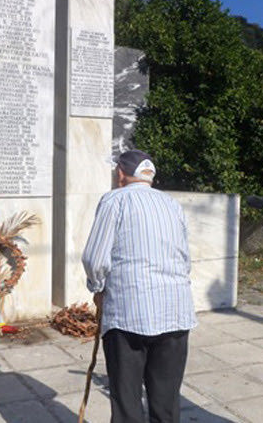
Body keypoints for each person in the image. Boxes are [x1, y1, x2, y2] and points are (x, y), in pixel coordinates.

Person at [82, 149, 196, 423]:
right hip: (175, 313)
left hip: (129, 315)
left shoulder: (115, 200)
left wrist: (97, 288)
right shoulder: (171, 204)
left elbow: (94, 258)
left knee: (127, 401)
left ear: (121, 173)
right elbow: (185, 259)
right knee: (166, 403)